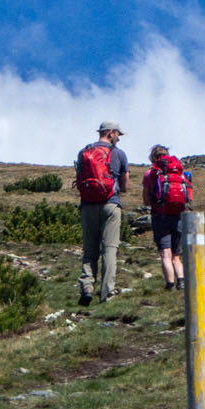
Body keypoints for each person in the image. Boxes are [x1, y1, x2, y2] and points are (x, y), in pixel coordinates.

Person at [75, 120, 130, 305]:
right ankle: (107, 293)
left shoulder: (84, 152)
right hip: (110, 204)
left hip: (88, 205)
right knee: (109, 249)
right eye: (118, 135)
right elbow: (124, 187)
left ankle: (87, 287)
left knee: (89, 250)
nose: (119, 139)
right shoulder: (119, 154)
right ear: (111, 133)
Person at [143, 144, 194, 290]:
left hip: (160, 215)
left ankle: (170, 284)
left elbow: (146, 199)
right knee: (176, 255)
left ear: (153, 157)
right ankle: (182, 281)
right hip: (178, 215)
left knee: (165, 253)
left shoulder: (151, 173)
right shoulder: (179, 173)